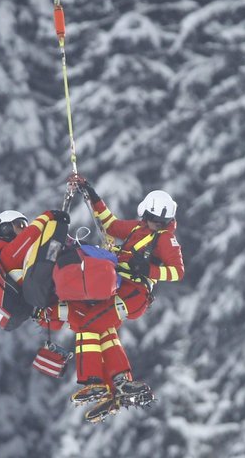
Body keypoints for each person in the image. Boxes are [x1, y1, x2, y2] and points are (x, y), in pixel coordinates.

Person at [65, 176, 186, 422]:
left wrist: (149, 270)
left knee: (87, 323)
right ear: (145, 215)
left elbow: (177, 271)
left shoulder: (165, 239)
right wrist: (92, 194)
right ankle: (120, 383)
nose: (154, 225)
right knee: (102, 329)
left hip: (135, 293)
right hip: (118, 288)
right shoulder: (135, 228)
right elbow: (109, 224)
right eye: (151, 220)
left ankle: (95, 381)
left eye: (159, 222)